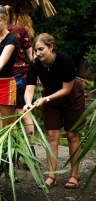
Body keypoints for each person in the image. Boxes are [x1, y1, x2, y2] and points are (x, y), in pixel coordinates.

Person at [23, 33, 85, 189]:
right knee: (51, 135)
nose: (38, 53)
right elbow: (30, 87)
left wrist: (46, 99)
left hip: (72, 97)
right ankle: (52, 176)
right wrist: (28, 103)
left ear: (51, 47)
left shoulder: (65, 60)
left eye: (41, 49)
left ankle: (74, 176)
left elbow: (67, 89)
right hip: (50, 98)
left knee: (72, 135)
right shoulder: (36, 64)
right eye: (36, 50)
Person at [8, 23, 36, 156]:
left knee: (22, 111)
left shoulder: (18, 30)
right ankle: (13, 149)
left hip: (21, 74)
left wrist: (37, 70)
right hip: (3, 78)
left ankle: (30, 149)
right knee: (8, 114)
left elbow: (30, 50)